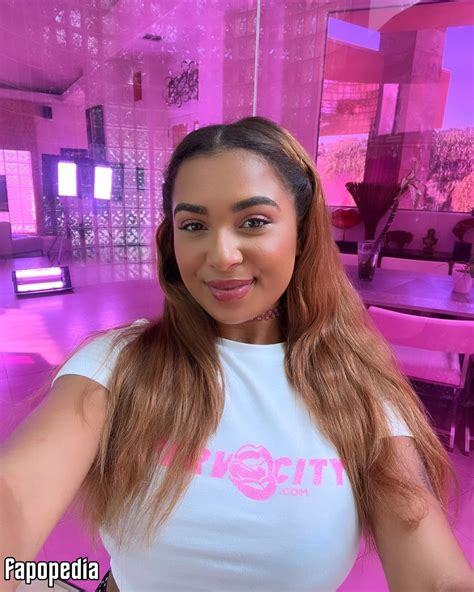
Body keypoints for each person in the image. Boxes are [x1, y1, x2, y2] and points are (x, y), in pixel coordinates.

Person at [1, 116, 472, 592]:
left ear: (302, 232)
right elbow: (14, 497)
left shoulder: (360, 392)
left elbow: (435, 574)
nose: (222, 255)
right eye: (194, 225)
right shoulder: (117, 364)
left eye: (253, 222)